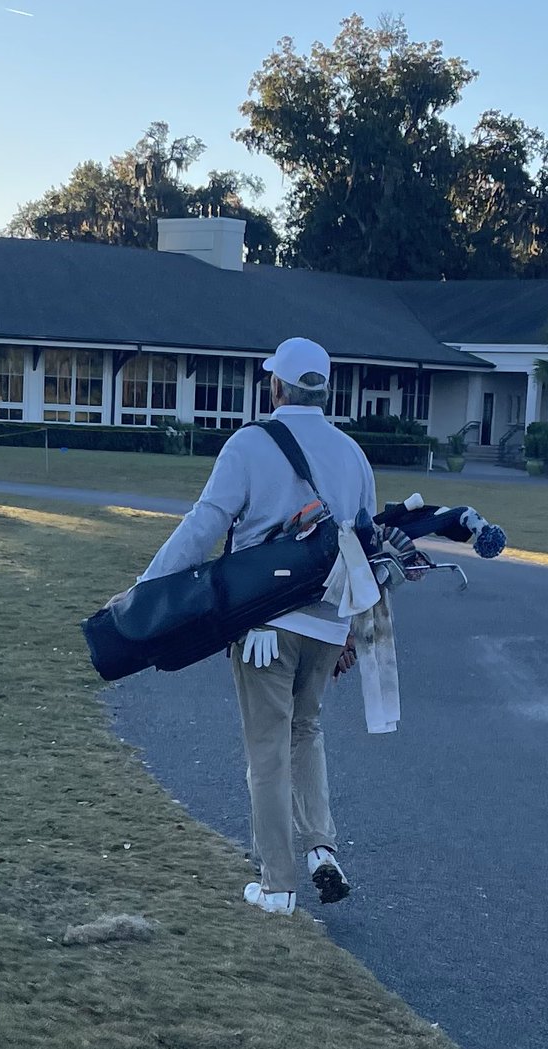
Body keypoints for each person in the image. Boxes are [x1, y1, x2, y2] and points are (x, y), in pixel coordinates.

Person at [137, 337, 376, 915]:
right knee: (306, 732)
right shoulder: (352, 454)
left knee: (266, 751)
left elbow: (204, 526)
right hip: (326, 621)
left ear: (275, 386)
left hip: (263, 626)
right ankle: (322, 848)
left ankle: (277, 885)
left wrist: (146, 592)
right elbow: (366, 543)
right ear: (324, 390)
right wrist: (353, 631)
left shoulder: (248, 444)